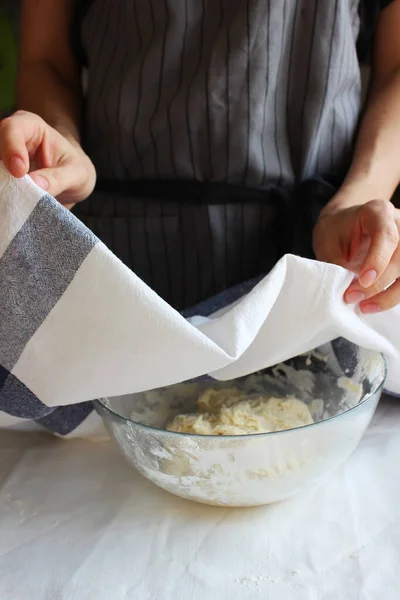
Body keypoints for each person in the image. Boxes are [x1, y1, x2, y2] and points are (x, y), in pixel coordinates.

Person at [1, 0, 400, 313]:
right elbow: (46, 62)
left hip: (318, 254)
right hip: (121, 256)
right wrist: (65, 144)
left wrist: (359, 198)